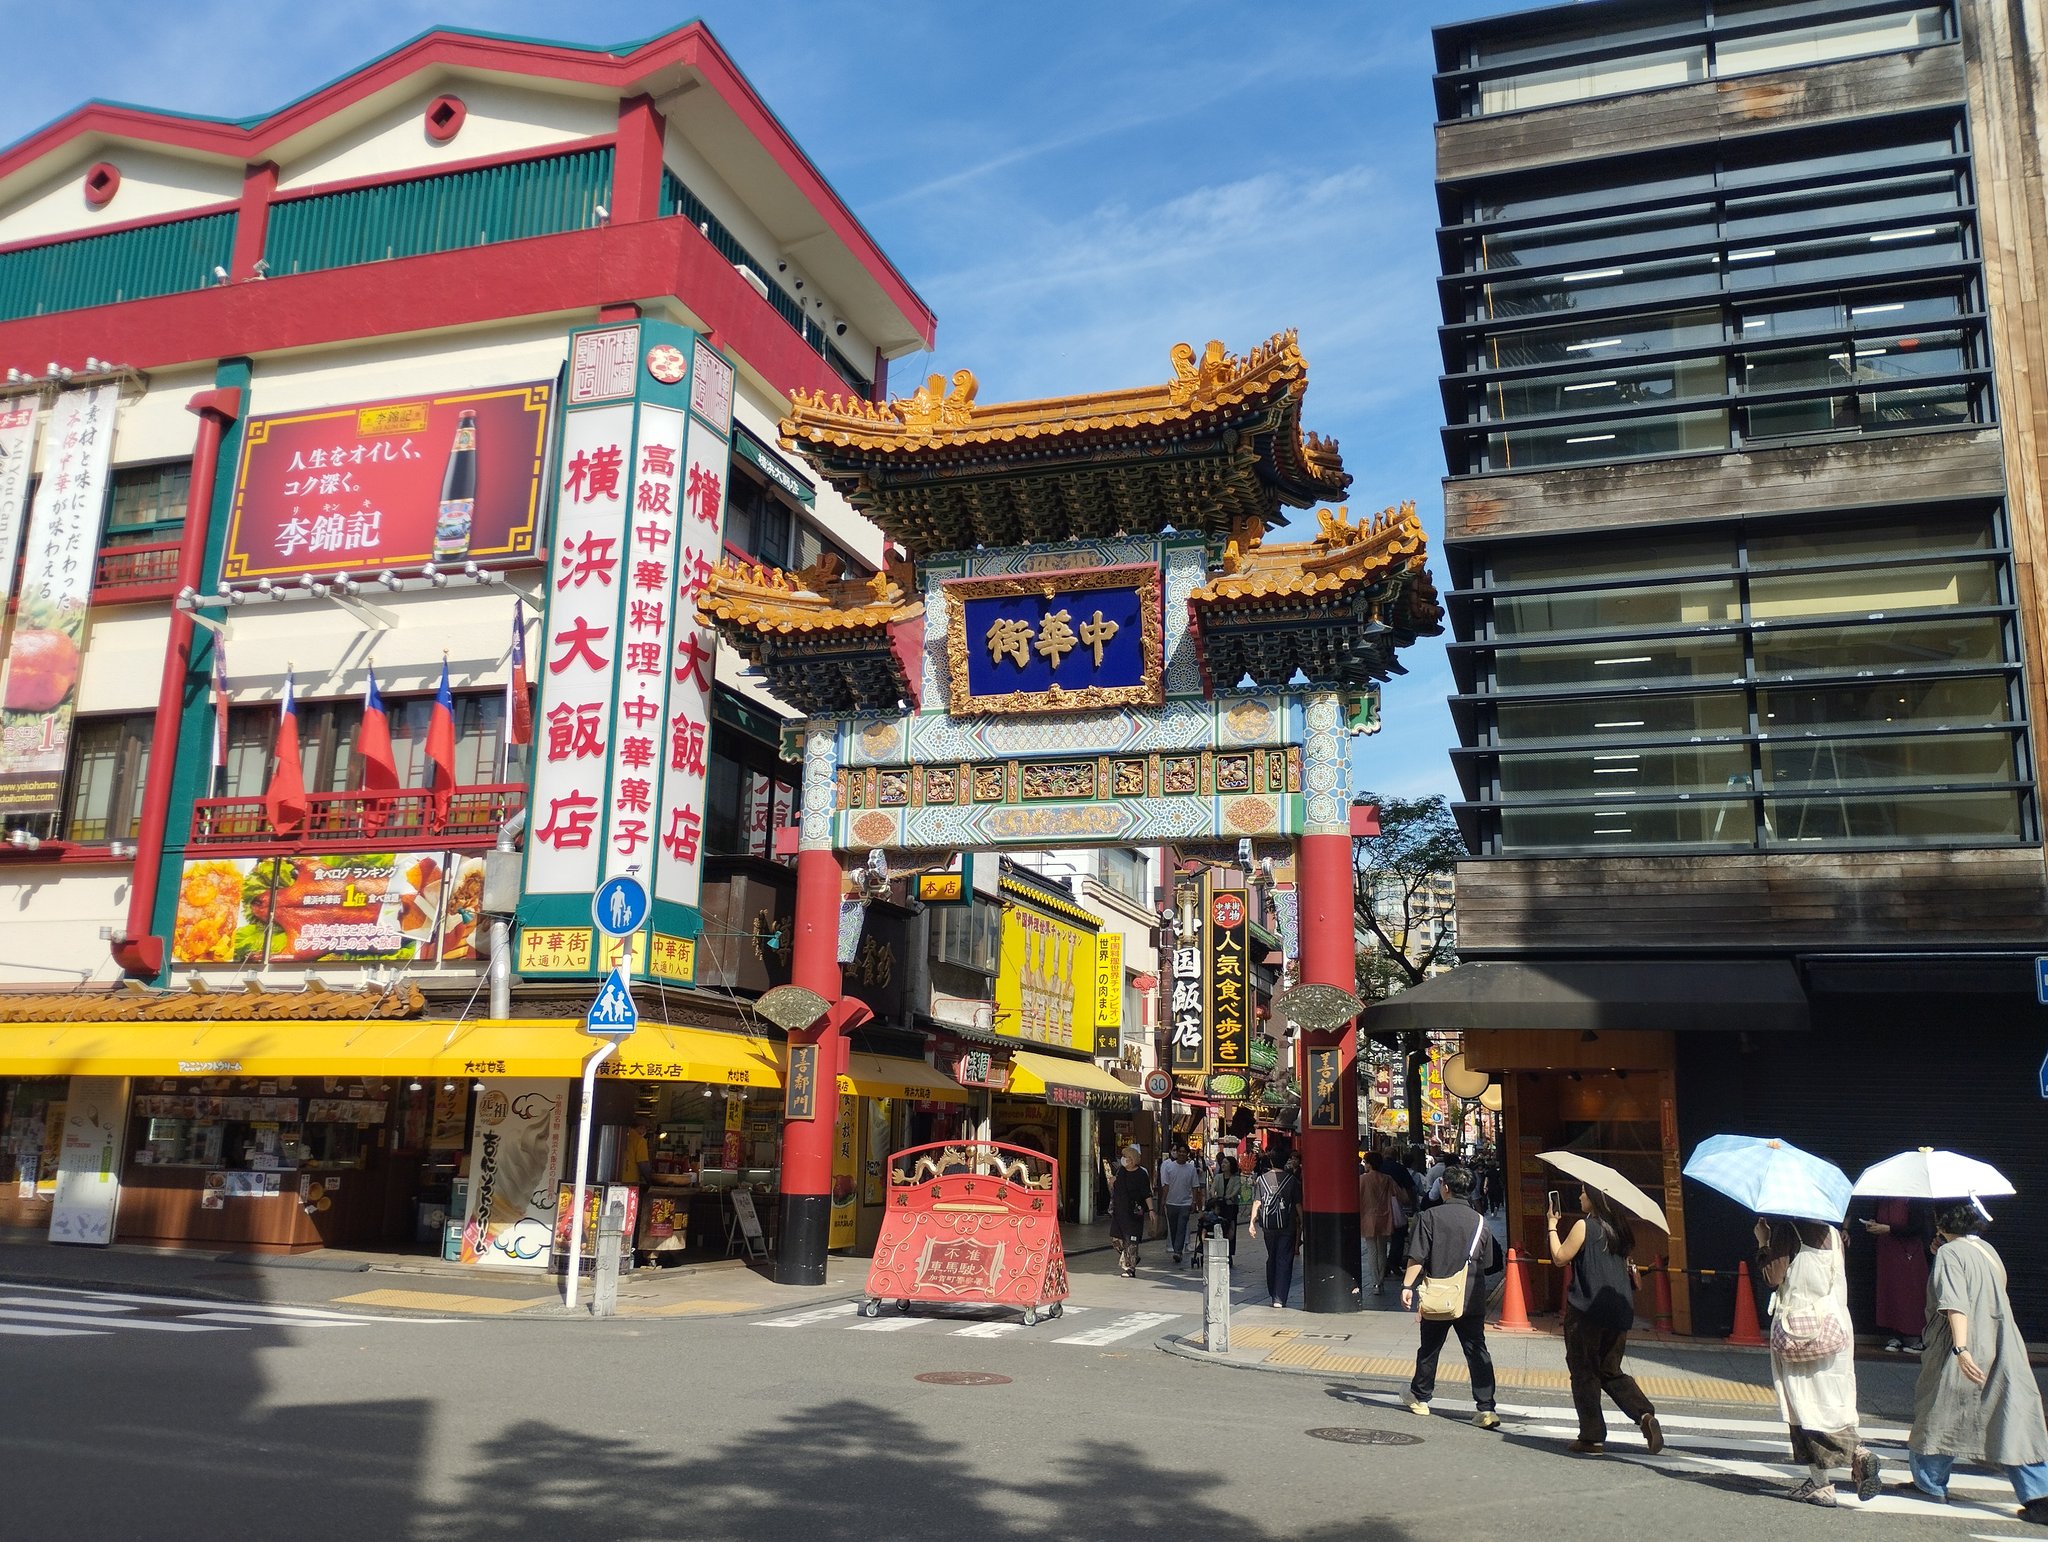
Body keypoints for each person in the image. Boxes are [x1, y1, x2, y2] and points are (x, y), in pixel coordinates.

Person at [1905, 1201, 2048, 1523]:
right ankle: (2039, 1495)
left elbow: (1954, 1303)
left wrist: (1961, 1348)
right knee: (2013, 1416)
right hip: (2002, 1340)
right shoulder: (1986, 1249)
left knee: (1938, 1411)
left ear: (1941, 1221)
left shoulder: (1949, 1254)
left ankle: (1929, 1485)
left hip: (1964, 1341)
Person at [1758, 1216, 1881, 1507]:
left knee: (1805, 1407)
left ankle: (1829, 1477)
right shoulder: (1835, 1235)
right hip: (1835, 1331)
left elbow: (1773, 1277)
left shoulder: (1788, 1230)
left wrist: (1763, 1242)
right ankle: (1853, 1458)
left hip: (1801, 1332)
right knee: (1832, 1403)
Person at [1548, 1185, 1662, 1455]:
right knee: (1610, 1370)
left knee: (1584, 1371)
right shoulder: (1620, 1229)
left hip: (1587, 1310)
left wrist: (1552, 1225)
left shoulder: (1584, 1226)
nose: (1580, 1197)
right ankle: (1644, 1415)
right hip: (1619, 1310)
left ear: (1596, 1197)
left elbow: (1560, 1258)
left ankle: (1592, 1438)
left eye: (1584, 1192)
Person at [1400, 1165, 1502, 1428]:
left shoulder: (1429, 1217)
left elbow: (1417, 1257)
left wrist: (1407, 1286)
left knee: (1430, 1348)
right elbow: (1489, 1262)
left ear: (1445, 1187)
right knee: (1476, 1350)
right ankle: (1486, 1408)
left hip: (1438, 1296)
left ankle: (1420, 1397)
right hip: (1470, 1297)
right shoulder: (1480, 1221)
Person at [1861, 1198, 1932, 1352]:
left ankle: (1914, 1337)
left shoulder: (1913, 1199)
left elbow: (1918, 1227)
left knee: (1911, 1293)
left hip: (1909, 1251)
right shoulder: (1882, 1199)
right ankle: (1895, 1334)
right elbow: (1878, 1217)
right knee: (1890, 1292)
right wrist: (1873, 1224)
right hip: (1887, 1252)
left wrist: (1889, 1229)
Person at [1249, 1149, 1302, 1308]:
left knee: (1272, 1256)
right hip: (1287, 1225)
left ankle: (1272, 1291)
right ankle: (1279, 1298)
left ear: (1271, 1161)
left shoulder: (1261, 1180)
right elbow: (1298, 1205)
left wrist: (1252, 1223)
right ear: (1285, 1161)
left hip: (1268, 1226)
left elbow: (1257, 1202)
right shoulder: (1292, 1181)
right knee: (1284, 1259)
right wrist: (1303, 1222)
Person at [1359, 1152, 1399, 1294]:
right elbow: (1397, 1194)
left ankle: (1375, 1282)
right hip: (1384, 1216)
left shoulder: (1362, 1179)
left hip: (1368, 1216)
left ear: (1369, 1164)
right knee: (1382, 1250)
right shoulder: (1387, 1179)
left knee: (1372, 1250)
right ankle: (1380, 1280)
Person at [1108, 1144, 1150, 1278]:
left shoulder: (1141, 1174)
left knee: (1131, 1241)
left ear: (1132, 1159)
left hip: (1134, 1212)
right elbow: (1115, 1187)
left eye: (1126, 1157)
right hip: (1119, 1211)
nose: (1123, 1159)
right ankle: (1131, 1257)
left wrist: (1151, 1210)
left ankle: (1130, 1268)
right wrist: (1112, 1183)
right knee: (1116, 1239)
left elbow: (1147, 1193)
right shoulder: (1121, 1171)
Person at [1157, 1142, 1202, 1266]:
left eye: (1184, 1152)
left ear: (1187, 1154)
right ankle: (1177, 1247)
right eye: (1179, 1151)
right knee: (1173, 1228)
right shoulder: (1169, 1167)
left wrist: (1194, 1202)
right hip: (1171, 1202)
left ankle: (1178, 1251)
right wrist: (1163, 1201)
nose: (1181, 1154)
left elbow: (1195, 1186)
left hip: (1185, 1203)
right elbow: (1166, 1185)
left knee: (1182, 1226)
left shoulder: (1191, 1169)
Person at [1209, 1155, 1245, 1263]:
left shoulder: (1236, 1178)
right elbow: (1213, 1188)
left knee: (1231, 1228)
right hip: (1219, 1206)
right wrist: (1213, 1194)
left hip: (1230, 1206)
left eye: (1226, 1163)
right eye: (1222, 1162)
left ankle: (1229, 1253)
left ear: (1231, 1165)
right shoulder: (1218, 1177)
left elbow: (1236, 1190)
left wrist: (1230, 1196)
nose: (1223, 1164)